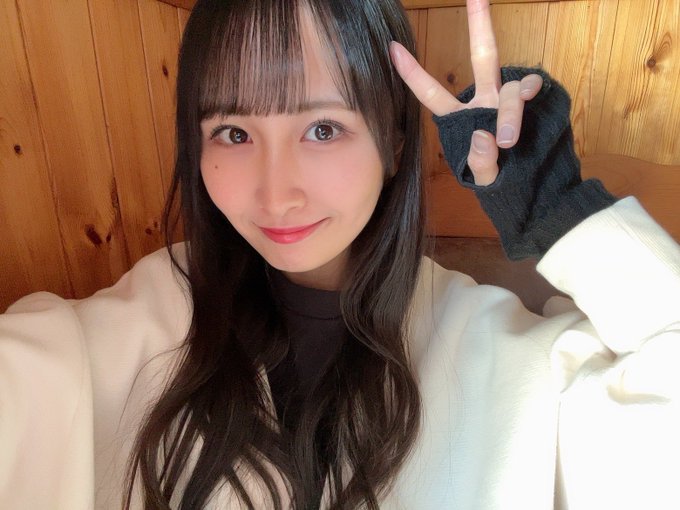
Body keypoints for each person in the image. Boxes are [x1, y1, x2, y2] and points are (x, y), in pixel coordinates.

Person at [1, 0, 679, 508]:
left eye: (323, 128)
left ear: (395, 144)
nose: (276, 194)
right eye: (233, 132)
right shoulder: (115, 335)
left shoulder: (504, 356)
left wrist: (557, 209)